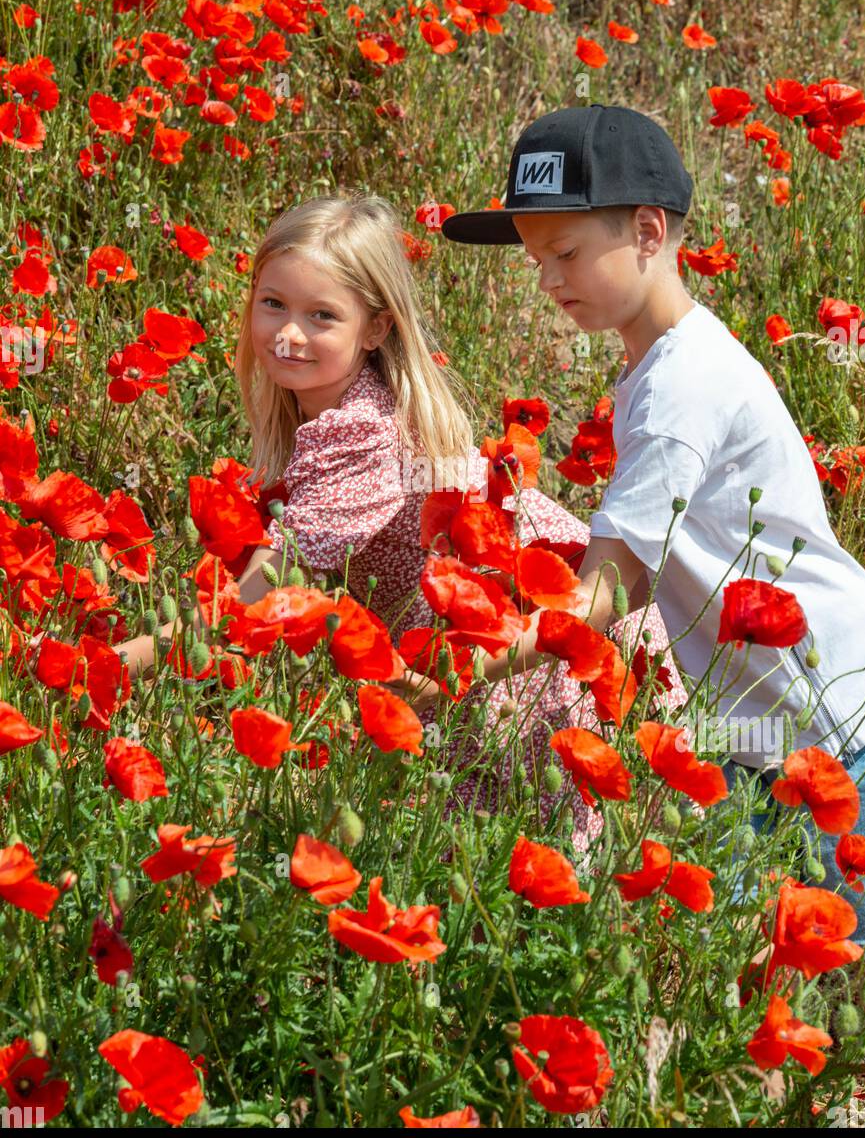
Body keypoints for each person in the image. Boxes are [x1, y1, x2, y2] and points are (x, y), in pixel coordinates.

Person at [114, 192, 687, 857]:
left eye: (321, 315)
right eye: (272, 303)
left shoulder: (358, 435)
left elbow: (252, 604)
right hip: (483, 648)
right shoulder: (336, 408)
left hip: (520, 658)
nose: (288, 333)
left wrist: (110, 666)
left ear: (376, 328)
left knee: (519, 860)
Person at [438, 102, 865, 935]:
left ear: (646, 231)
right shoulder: (665, 363)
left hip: (833, 725)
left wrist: (460, 668)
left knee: (824, 967)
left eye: (564, 252)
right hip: (758, 732)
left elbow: (606, 594)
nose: (547, 280)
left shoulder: (678, 387)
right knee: (748, 960)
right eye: (535, 259)